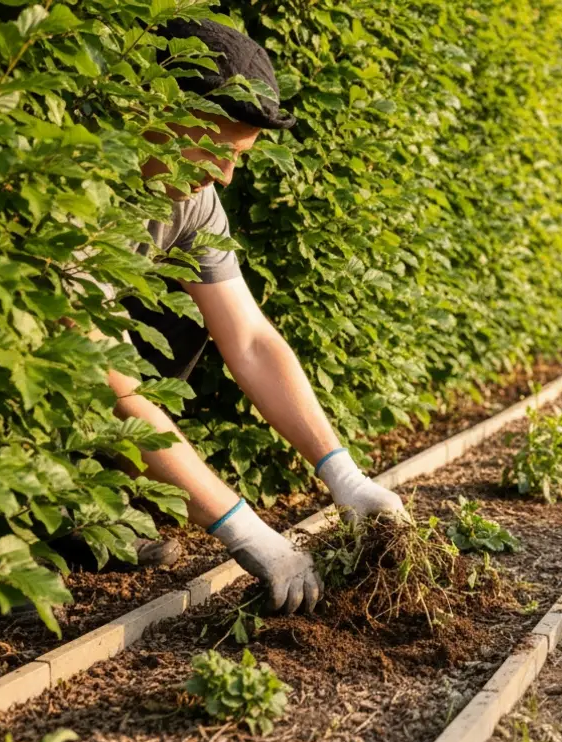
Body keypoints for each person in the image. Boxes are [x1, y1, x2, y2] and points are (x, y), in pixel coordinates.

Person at [89, 20, 406, 614]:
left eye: (239, 156)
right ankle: (21, 537)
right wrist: (244, 529)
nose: (226, 176)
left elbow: (251, 338)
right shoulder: (80, 186)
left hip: (101, 363)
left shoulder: (192, 198)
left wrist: (344, 476)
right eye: (217, 149)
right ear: (156, 110)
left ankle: (93, 505)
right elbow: (99, 375)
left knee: (183, 322)